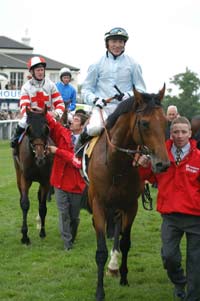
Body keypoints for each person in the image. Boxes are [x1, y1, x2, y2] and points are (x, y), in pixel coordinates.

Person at [137, 116, 200, 301]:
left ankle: (193, 296)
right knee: (169, 257)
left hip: (195, 217)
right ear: (170, 133)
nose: (179, 136)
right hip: (170, 215)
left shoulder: (198, 158)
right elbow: (151, 177)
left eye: (183, 132)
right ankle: (179, 281)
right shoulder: (161, 154)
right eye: (175, 132)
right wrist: (143, 167)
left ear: (190, 134)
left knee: (196, 262)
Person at [77, 27, 146, 150]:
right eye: (114, 41)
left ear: (124, 44)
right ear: (107, 43)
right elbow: (85, 90)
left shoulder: (134, 64)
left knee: (141, 130)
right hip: (103, 108)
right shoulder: (96, 64)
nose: (117, 45)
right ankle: (78, 150)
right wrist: (95, 100)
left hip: (126, 109)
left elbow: (141, 90)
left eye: (120, 42)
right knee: (94, 129)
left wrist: (127, 95)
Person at [46, 112, 87, 251]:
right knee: (63, 213)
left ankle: (71, 237)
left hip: (76, 185)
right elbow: (52, 123)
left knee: (74, 217)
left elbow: (78, 162)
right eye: (73, 119)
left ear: (82, 126)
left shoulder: (87, 142)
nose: (72, 122)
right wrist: (40, 110)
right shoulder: (63, 132)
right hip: (59, 182)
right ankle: (67, 243)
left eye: (76, 120)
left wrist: (58, 151)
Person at [10, 56, 65, 150]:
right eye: (38, 70)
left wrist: (55, 113)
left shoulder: (51, 85)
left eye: (42, 70)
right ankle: (15, 141)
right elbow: (24, 106)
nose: (40, 72)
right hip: (32, 116)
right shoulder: (26, 87)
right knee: (22, 121)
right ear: (32, 72)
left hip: (48, 116)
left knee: (62, 130)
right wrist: (33, 114)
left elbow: (60, 103)